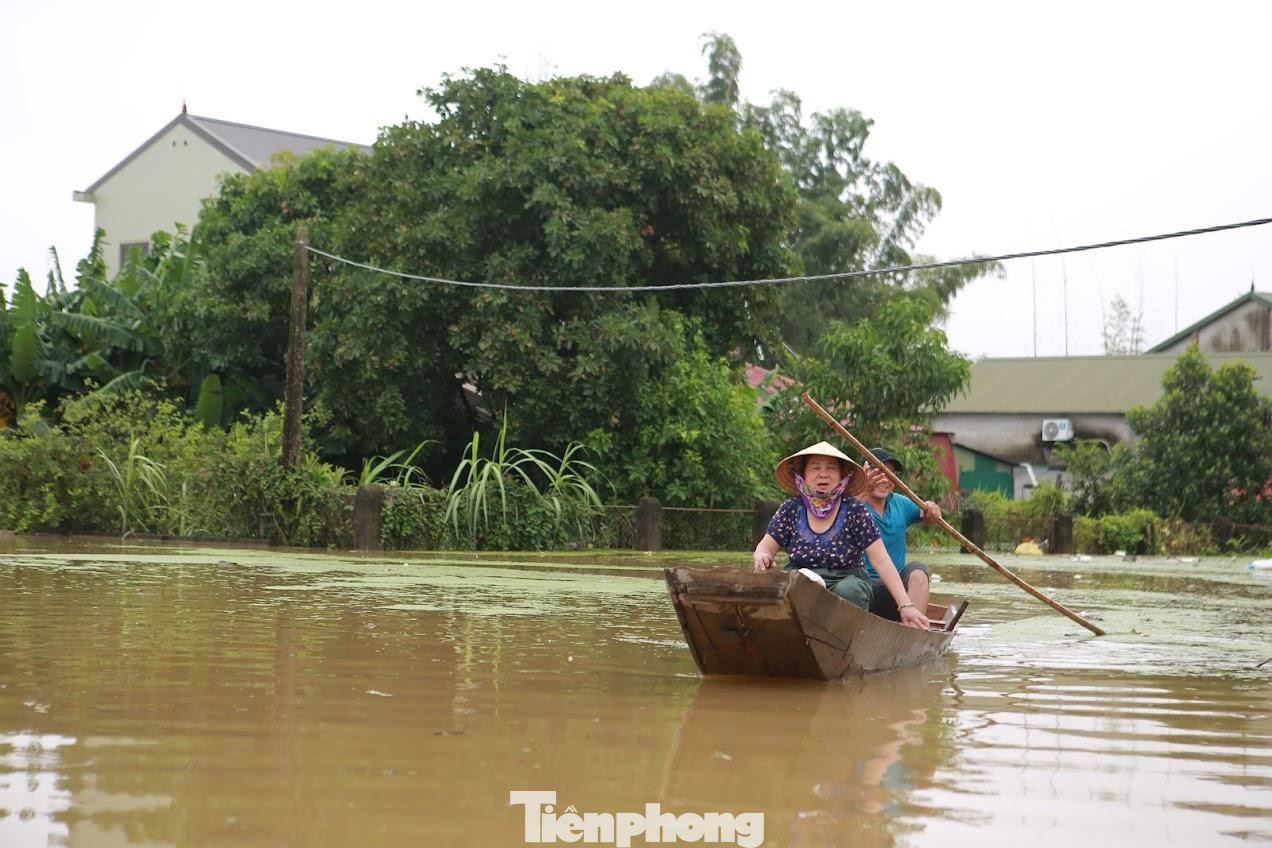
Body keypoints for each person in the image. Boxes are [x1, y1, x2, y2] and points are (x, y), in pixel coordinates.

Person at [752, 442, 930, 631]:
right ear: (803, 475)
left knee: (849, 590)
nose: (823, 474)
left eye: (831, 468)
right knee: (795, 585)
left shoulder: (854, 509)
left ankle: (846, 637)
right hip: (802, 580)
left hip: (847, 580)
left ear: (842, 476)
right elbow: (765, 548)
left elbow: (881, 561)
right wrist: (763, 558)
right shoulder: (791, 509)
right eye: (815, 468)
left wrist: (905, 605)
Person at [858, 447, 941, 622]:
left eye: (889, 474)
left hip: (896, 593)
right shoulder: (853, 505)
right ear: (863, 476)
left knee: (919, 570)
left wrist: (931, 507)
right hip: (862, 588)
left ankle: (913, 632)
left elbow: (927, 514)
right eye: (876, 473)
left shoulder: (900, 503)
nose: (883, 479)